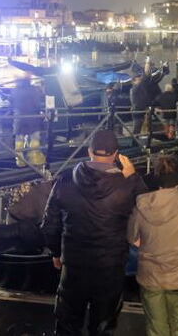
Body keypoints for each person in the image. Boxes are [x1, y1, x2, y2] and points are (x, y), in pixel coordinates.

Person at [42, 129, 147, 335]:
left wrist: (55, 252)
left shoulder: (65, 181)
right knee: (103, 326)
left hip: (74, 263)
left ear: (89, 152)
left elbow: (49, 224)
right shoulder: (126, 186)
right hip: (110, 266)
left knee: (67, 324)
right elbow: (150, 209)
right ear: (116, 155)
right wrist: (133, 177)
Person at [127, 155, 178, 336]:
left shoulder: (141, 206)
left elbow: (132, 238)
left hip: (151, 276)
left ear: (156, 176)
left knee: (156, 327)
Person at [10, 77, 46, 167]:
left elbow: (11, 103)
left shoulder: (15, 90)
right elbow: (37, 104)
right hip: (32, 117)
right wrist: (40, 112)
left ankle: (20, 160)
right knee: (34, 137)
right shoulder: (33, 90)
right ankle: (34, 158)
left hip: (19, 118)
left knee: (19, 138)